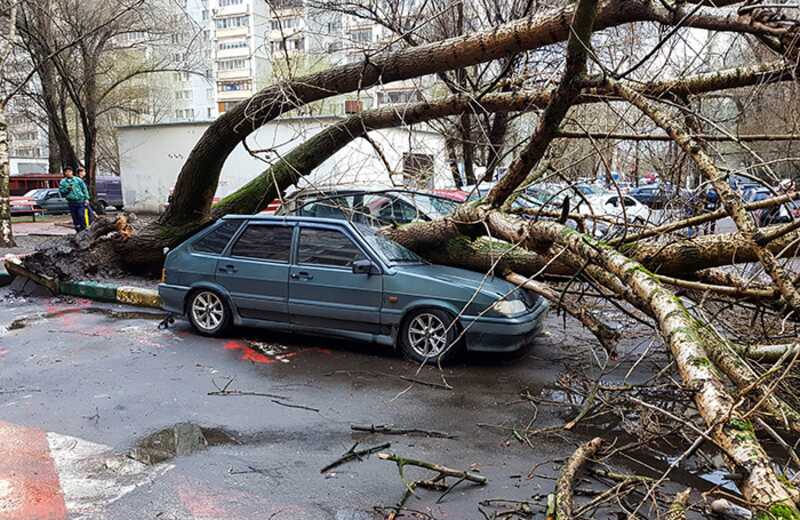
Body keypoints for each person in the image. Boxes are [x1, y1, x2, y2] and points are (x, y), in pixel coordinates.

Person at [59, 166, 93, 232]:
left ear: (72, 172)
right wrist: (67, 189)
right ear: (65, 173)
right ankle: (78, 231)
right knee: (75, 218)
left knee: (81, 215)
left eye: (69, 171)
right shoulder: (63, 182)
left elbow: (84, 189)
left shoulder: (78, 180)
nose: (68, 173)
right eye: (66, 172)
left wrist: (86, 198)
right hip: (71, 202)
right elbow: (61, 191)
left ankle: (83, 230)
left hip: (80, 201)